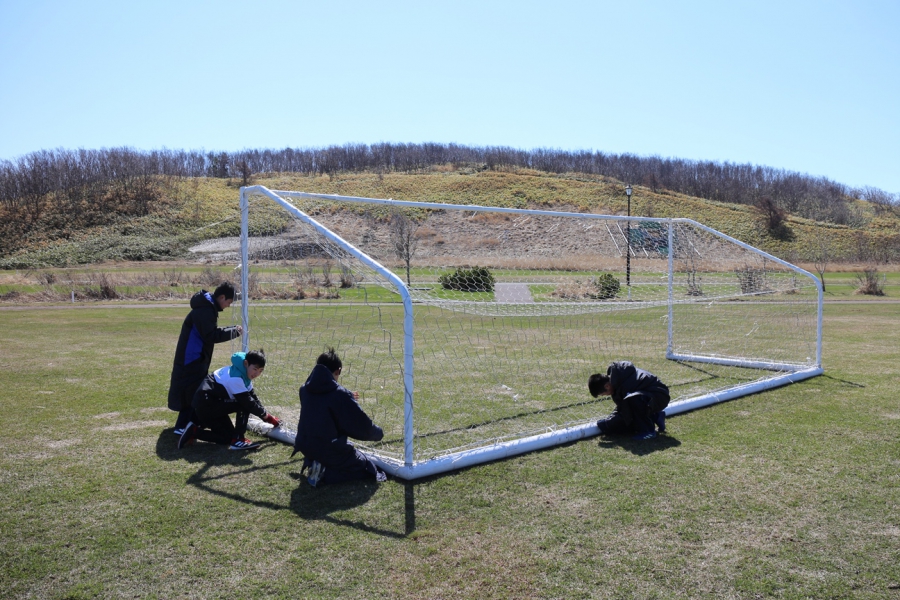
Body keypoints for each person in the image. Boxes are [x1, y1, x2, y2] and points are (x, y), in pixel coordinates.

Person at [292, 348, 387, 487]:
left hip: (305, 445)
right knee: (366, 466)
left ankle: (313, 463)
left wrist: (346, 395)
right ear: (338, 371)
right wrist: (378, 433)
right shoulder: (339, 395)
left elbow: (322, 404)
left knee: (325, 449)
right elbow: (359, 424)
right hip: (329, 448)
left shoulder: (304, 389)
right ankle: (324, 473)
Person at [167, 282, 243, 435]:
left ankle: (191, 423)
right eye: (229, 302)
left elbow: (211, 331)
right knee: (192, 392)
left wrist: (233, 329)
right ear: (221, 297)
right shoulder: (205, 310)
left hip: (196, 357)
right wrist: (234, 332)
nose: (228, 306)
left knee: (195, 391)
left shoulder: (207, 308)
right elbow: (211, 336)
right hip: (192, 359)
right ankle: (182, 426)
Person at [178, 349, 281, 450]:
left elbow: (253, 397)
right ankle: (238, 439)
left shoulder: (243, 372)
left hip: (211, 405)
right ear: (246, 363)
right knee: (244, 404)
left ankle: (193, 431)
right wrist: (268, 418)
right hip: (206, 407)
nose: (257, 373)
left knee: (227, 438)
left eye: (260, 371)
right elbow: (248, 402)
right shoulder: (236, 377)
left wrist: (266, 416)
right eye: (255, 369)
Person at [589, 360, 670, 440]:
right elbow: (621, 407)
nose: (605, 395)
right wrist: (608, 421)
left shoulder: (624, 384)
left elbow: (625, 410)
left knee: (633, 400)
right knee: (633, 403)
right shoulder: (618, 378)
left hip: (660, 397)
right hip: (652, 396)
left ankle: (648, 431)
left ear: (607, 386)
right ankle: (656, 415)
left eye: (602, 394)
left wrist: (607, 423)